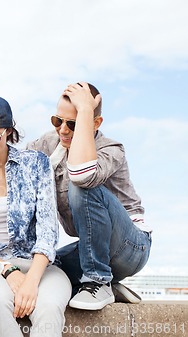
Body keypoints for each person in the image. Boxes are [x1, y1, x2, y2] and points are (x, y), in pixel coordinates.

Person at [27, 82, 152, 311]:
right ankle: (109, 288)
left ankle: (97, 280)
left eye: (72, 124)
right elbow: (10, 171)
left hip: (130, 247)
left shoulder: (111, 148)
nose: (63, 130)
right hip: (91, 248)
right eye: (58, 120)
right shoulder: (47, 144)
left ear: (95, 122)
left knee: (80, 185)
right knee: (44, 268)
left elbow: (82, 176)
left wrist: (85, 110)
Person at [0, 95, 72, 337]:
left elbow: (48, 228)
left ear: (8, 131)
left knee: (49, 307)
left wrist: (30, 281)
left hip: (40, 265)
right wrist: (7, 271)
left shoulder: (36, 164)